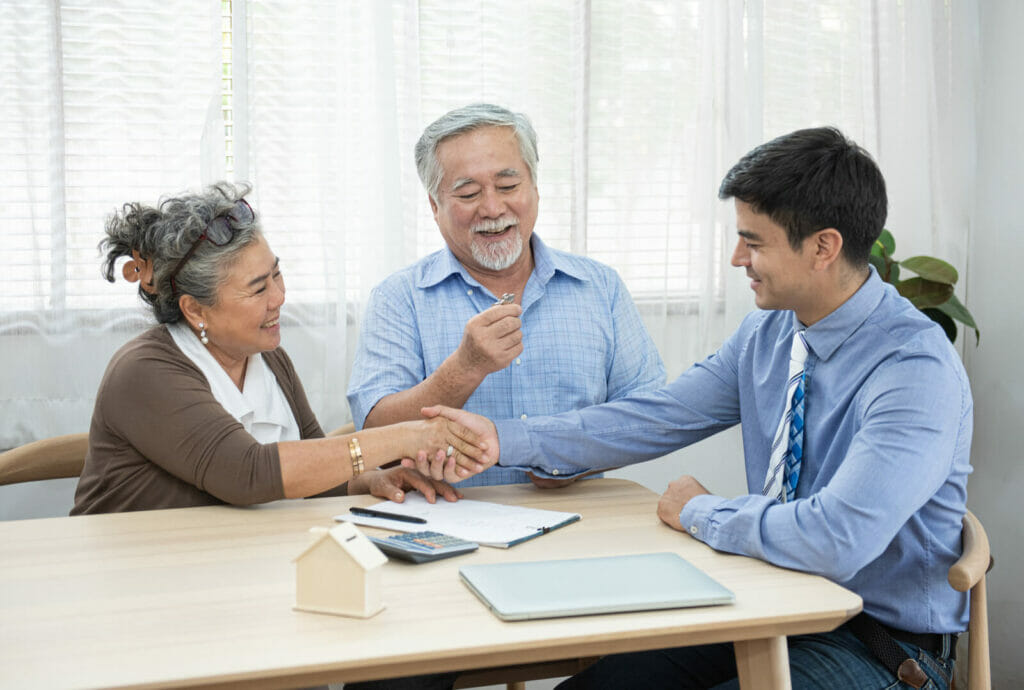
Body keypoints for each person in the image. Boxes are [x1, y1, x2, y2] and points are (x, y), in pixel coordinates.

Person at [424, 127, 972, 689]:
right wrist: (500, 439)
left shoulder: (913, 369)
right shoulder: (770, 333)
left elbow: (836, 540)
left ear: (823, 247)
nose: (738, 259)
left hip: (876, 642)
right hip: (772, 604)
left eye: (754, 242)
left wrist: (699, 511)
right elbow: (656, 415)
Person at [73, 182, 487, 517]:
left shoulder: (265, 355)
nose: (279, 298)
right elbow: (249, 474)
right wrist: (405, 436)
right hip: (132, 574)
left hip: (230, 565)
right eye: (257, 289)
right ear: (195, 309)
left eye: (277, 275)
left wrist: (369, 480)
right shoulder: (145, 372)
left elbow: (311, 466)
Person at [346, 103, 666, 487]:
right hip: (451, 526)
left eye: (509, 186)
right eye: (467, 193)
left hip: (584, 523)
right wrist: (464, 368)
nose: (493, 208)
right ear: (434, 205)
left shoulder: (600, 287)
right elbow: (374, 438)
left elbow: (649, 419)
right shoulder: (398, 298)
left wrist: (572, 461)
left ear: (535, 187)